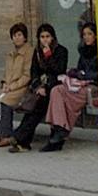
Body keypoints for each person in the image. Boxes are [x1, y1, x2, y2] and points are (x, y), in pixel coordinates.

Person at [42, 22, 98, 152]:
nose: (86, 37)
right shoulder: (83, 50)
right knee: (56, 90)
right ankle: (60, 128)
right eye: (84, 34)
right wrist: (75, 73)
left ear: (96, 35)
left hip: (93, 85)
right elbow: (79, 69)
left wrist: (83, 75)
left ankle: (59, 132)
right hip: (79, 84)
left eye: (89, 34)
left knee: (65, 97)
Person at [10, 23, 68, 153]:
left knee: (37, 106)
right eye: (42, 37)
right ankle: (21, 140)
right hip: (41, 88)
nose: (45, 39)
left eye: (47, 36)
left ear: (52, 37)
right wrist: (37, 87)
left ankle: (20, 137)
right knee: (34, 106)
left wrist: (48, 56)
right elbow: (34, 72)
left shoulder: (61, 51)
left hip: (55, 88)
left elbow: (59, 70)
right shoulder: (37, 52)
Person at [0, 23, 32, 146]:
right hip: (9, 87)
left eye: (19, 35)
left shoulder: (29, 53)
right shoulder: (10, 54)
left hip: (22, 88)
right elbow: (6, 72)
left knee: (6, 102)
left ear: (25, 37)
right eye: (14, 35)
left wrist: (12, 87)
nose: (16, 38)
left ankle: (6, 135)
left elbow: (27, 75)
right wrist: (4, 83)